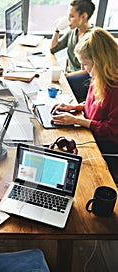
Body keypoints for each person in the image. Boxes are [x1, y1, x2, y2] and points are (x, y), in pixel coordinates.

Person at [51, 27, 118, 179]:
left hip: (105, 144)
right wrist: (75, 107)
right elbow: (96, 107)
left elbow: (111, 130)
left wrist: (77, 120)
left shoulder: (115, 88)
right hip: (90, 131)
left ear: (100, 62)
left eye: (85, 64)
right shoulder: (99, 75)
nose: (82, 69)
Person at [50, 0, 95, 102]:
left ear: (84, 16)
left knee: (55, 86)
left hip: (84, 78)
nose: (68, 20)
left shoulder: (92, 38)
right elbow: (53, 48)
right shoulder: (73, 31)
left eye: (72, 16)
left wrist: (66, 76)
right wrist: (57, 30)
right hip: (69, 74)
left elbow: (89, 70)